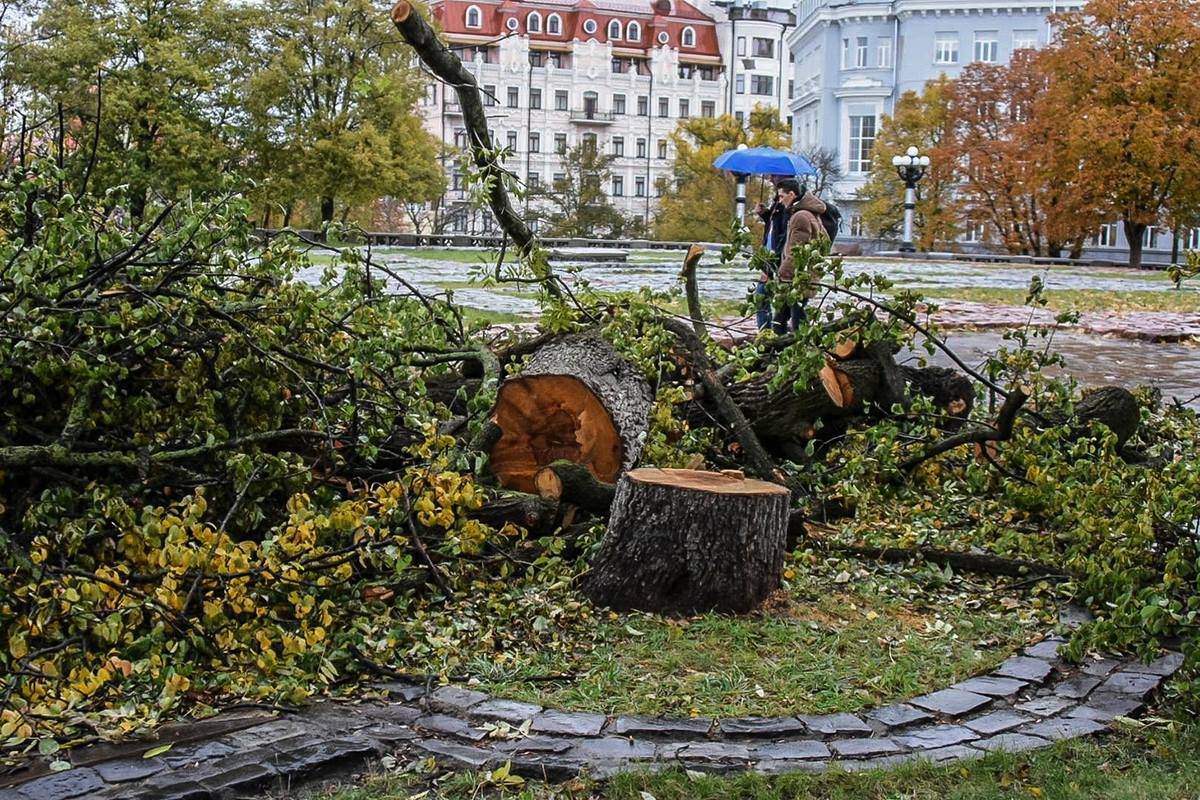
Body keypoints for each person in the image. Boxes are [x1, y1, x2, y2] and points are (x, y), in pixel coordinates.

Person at [772, 178, 828, 335]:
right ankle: (781, 345)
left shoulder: (800, 216)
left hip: (797, 278)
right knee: (782, 317)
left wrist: (782, 273)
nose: (780, 200)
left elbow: (796, 251)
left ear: (791, 194)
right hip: (804, 275)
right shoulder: (810, 214)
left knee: (795, 319)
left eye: (782, 196)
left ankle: (797, 345)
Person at [753, 176, 791, 330]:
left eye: (773, 176)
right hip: (771, 257)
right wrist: (765, 214)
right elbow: (774, 226)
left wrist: (772, 265)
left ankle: (767, 333)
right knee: (767, 297)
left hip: (776, 260)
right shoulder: (778, 201)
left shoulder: (786, 205)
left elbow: (783, 235)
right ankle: (771, 332)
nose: (769, 179)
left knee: (762, 295)